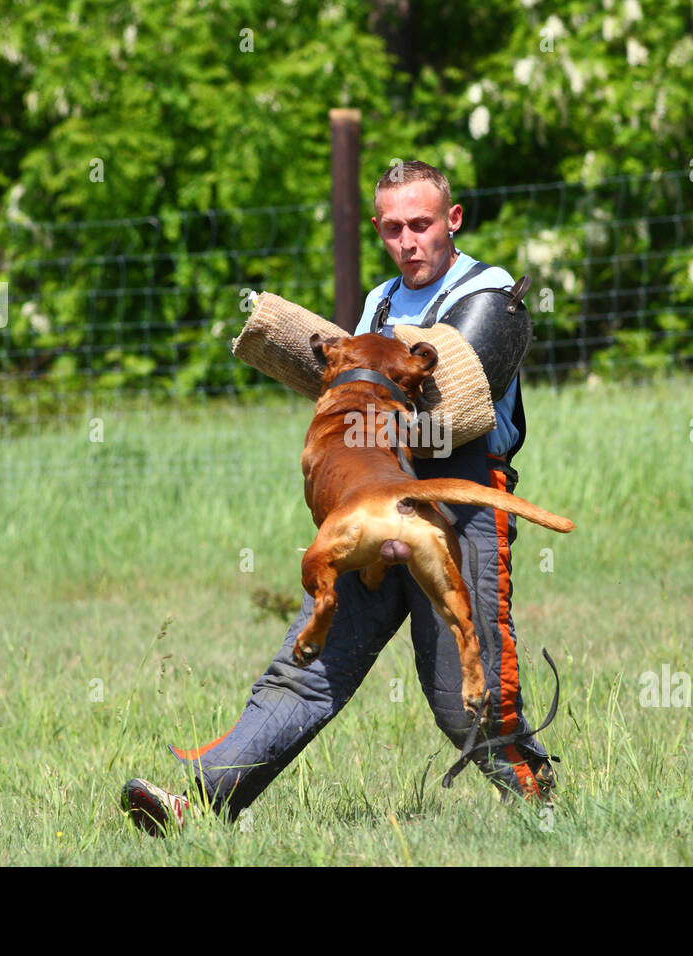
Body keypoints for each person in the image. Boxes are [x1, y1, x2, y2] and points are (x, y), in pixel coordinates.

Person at [122, 161, 554, 833]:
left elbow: (458, 408)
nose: (408, 240)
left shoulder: (490, 291)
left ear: (454, 219)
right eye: (392, 228)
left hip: (460, 498)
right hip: (373, 493)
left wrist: (362, 393)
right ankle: (198, 804)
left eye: (422, 224)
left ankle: (536, 801)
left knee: (455, 695)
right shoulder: (379, 302)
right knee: (305, 665)